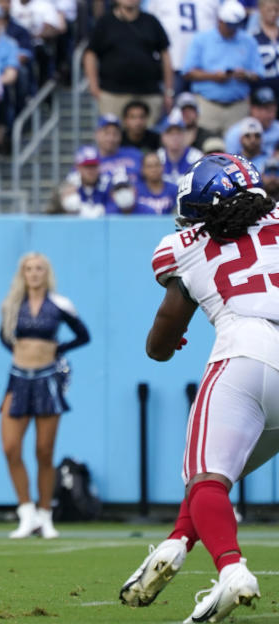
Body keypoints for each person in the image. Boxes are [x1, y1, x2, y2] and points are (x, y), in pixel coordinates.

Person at [120, 153, 274, 622]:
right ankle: (175, 542)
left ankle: (232, 570)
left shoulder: (184, 246)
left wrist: (164, 345)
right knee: (219, 477)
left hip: (245, 351)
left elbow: (161, 340)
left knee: (206, 478)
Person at [0, 253, 89, 539]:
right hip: (18, 378)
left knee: (44, 451)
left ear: (46, 273)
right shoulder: (12, 305)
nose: (34, 273)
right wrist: (23, 351)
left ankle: (45, 515)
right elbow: (4, 337)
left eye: (39, 269)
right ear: (22, 273)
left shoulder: (60, 304)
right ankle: (25, 512)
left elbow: (83, 335)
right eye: (29, 269)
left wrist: (57, 350)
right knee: (11, 447)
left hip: (47, 379)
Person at [84, 0, 173, 124]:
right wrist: (94, 86)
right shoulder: (105, 23)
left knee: (147, 141)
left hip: (148, 93)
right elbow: (90, 54)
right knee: (112, 137)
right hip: (113, 94)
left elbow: (165, 55)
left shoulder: (151, 22)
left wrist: (168, 91)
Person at [183, 0, 266, 134]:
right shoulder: (201, 39)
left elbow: (259, 73)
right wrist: (213, 76)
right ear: (219, 20)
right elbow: (187, 72)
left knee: (234, 152)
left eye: (235, 26)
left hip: (238, 107)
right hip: (207, 105)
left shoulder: (248, 41)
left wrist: (245, 75)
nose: (232, 30)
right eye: (229, 25)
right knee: (208, 147)